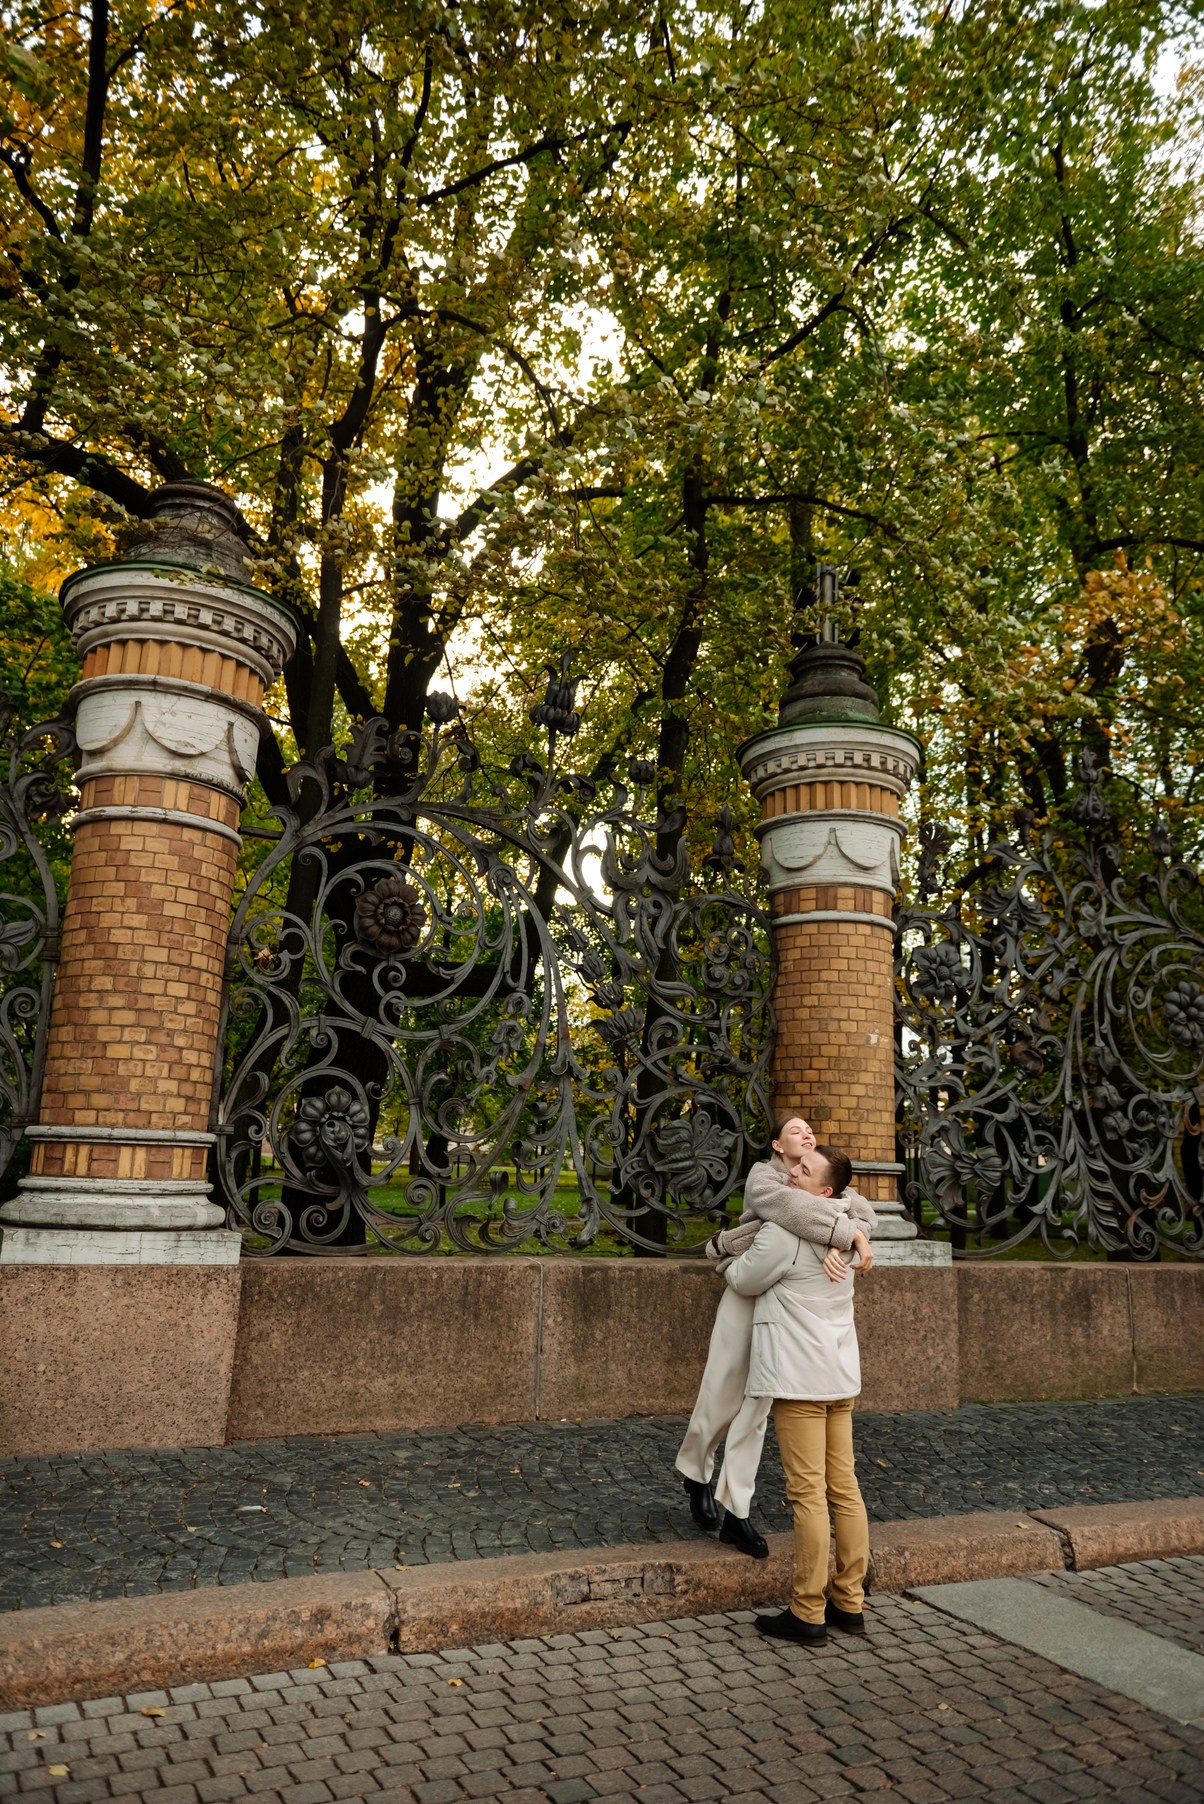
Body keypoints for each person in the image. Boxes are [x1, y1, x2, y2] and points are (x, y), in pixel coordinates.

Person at [675, 1115, 875, 1557]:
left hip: (781, 1304)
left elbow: (862, 1210)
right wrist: (845, 1236)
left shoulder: (819, 1176)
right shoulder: (766, 1178)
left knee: (757, 1405)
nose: (806, 1134)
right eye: (795, 1131)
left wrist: (851, 1235)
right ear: (777, 1144)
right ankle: (695, 1469)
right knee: (721, 1395)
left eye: (809, 1131)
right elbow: (795, 1211)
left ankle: (736, 1510)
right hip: (746, 1291)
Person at [721, 1143, 872, 1644]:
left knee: (808, 1495)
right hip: (839, 1375)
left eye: (804, 1171)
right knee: (844, 1489)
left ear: (824, 1190)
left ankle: (807, 1610)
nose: (792, 1173)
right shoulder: (847, 1227)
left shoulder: (784, 1231)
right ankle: (849, 1601)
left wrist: (722, 1259)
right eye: (794, 1164)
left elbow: (744, 1279)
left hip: (799, 1380)